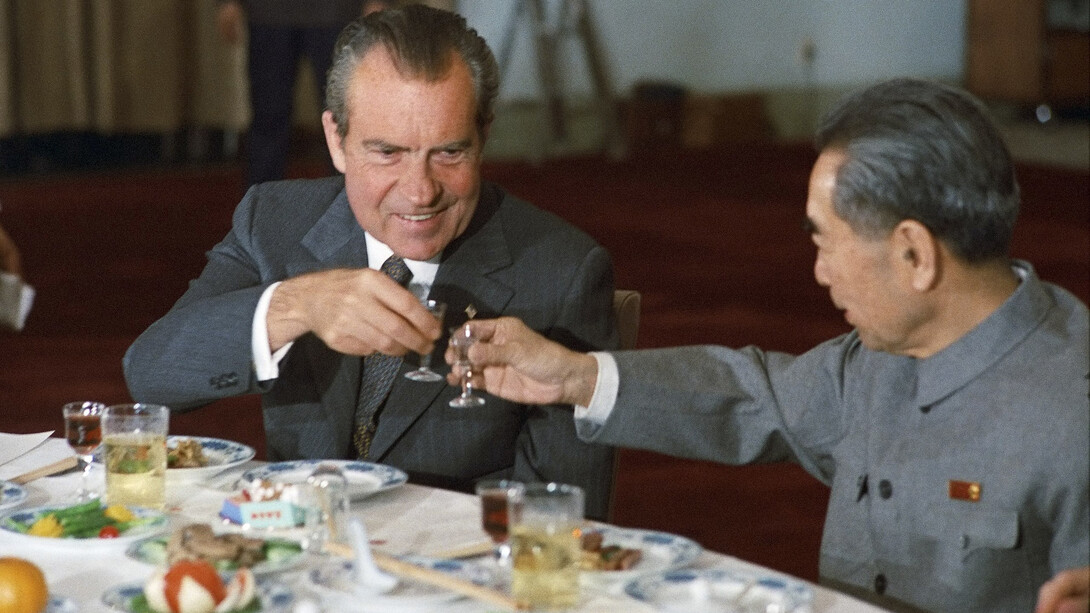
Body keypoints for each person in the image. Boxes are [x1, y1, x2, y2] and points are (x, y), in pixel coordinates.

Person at [449, 78, 1089, 613]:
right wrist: (574, 379)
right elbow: (751, 394)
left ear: (915, 254)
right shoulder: (878, 360)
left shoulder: (1072, 412)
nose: (819, 272)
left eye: (825, 241)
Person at [125, 5, 618, 518]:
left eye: (449, 153)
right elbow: (152, 374)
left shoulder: (563, 272)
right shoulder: (274, 221)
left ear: (484, 137)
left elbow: (561, 522)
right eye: (388, 153)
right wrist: (295, 306)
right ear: (336, 141)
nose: (420, 191)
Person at [216, 0, 372, 186]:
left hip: (337, 13)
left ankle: (352, 206)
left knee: (343, 119)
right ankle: (264, 207)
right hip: (269, 15)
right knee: (268, 118)